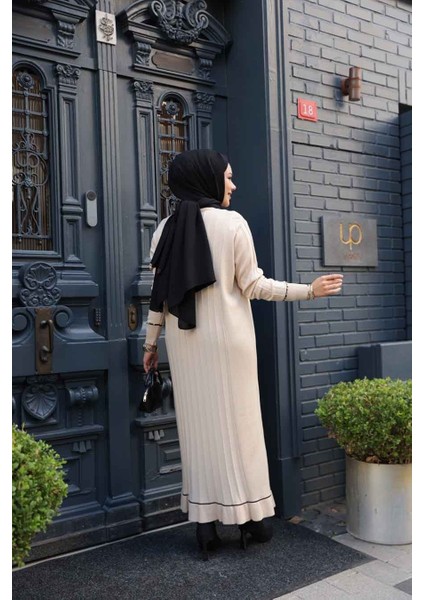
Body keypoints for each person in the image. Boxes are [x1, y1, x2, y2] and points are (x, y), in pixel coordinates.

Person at [143, 149, 343, 560]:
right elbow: (254, 285)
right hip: (229, 343)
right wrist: (309, 290)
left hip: (184, 343)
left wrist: (150, 344)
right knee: (241, 430)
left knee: (198, 433)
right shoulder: (232, 223)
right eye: (228, 177)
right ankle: (252, 520)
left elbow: (159, 295)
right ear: (207, 178)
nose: (233, 185)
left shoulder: (164, 229)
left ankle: (204, 525)